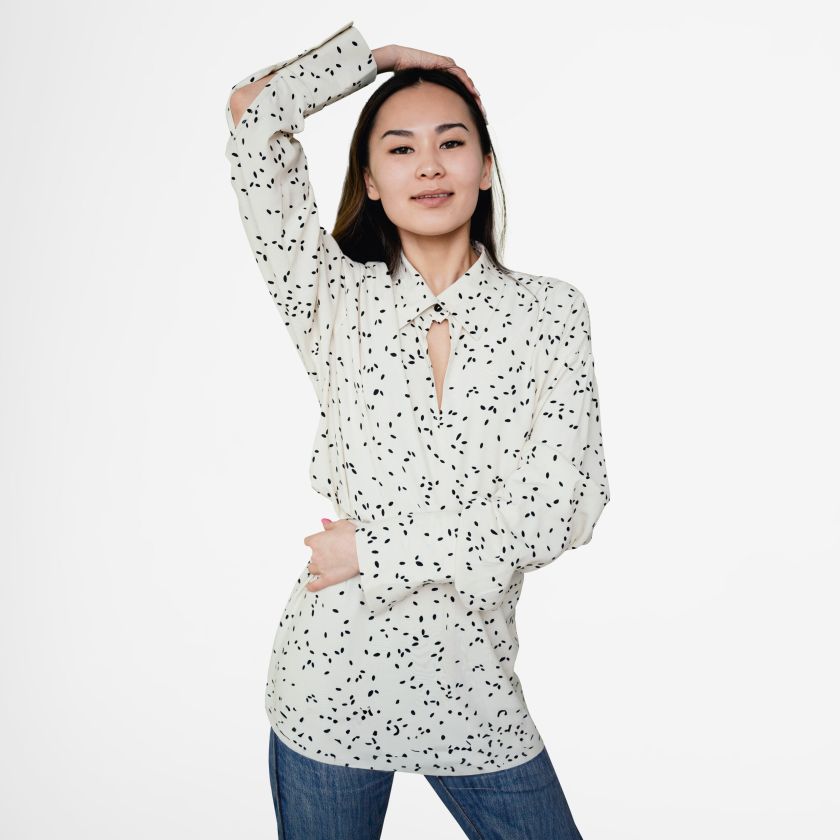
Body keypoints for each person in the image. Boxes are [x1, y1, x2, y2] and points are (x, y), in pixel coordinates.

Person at [224, 20, 610, 840]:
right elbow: (253, 117)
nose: (429, 165)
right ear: (370, 179)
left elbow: (561, 512)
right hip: (328, 686)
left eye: (452, 142)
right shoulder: (332, 298)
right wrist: (382, 61)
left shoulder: (550, 314)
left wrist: (373, 549)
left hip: (475, 690)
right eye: (400, 149)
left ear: (486, 165)